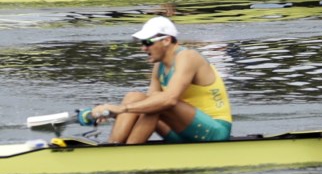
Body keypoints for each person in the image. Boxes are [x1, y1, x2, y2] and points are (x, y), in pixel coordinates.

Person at [90, 16, 233, 144]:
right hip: (180, 131)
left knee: (158, 101)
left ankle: (128, 155)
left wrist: (121, 109)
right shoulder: (159, 65)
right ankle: (113, 145)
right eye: (142, 43)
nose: (143, 48)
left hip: (214, 132)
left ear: (166, 40)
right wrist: (109, 112)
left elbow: (168, 100)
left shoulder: (189, 57)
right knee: (134, 97)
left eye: (147, 42)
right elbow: (146, 104)